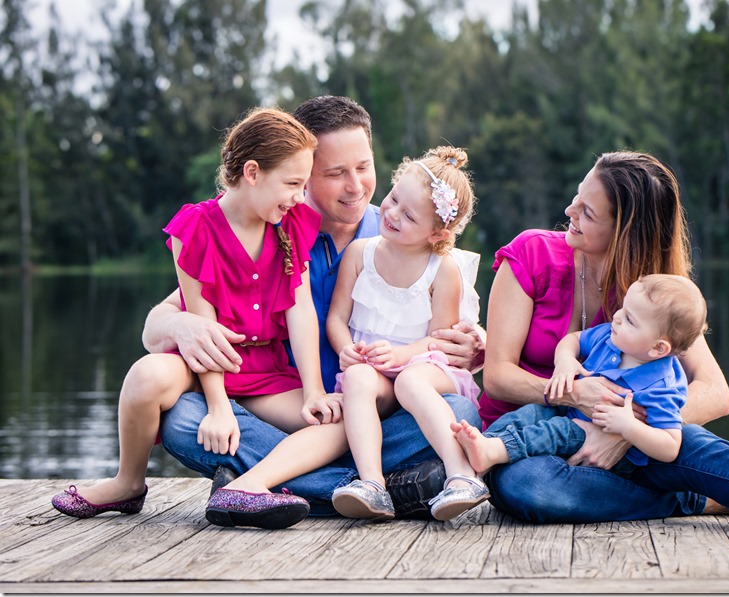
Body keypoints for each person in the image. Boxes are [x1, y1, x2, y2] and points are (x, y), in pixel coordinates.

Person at [475, 150, 729, 540]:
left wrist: (626, 430)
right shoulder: (531, 254)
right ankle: (694, 498)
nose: (570, 209)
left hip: (621, 439)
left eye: (588, 212)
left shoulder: (649, 293)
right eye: (577, 197)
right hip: (526, 442)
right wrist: (575, 395)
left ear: (625, 229)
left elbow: (715, 393)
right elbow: (498, 377)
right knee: (526, 485)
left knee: (682, 441)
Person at [141, 96, 485, 523]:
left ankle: (269, 479)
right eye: (336, 173)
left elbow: (450, 343)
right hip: (284, 413)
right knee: (180, 419)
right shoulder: (267, 228)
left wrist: (475, 345)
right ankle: (392, 488)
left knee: (460, 413)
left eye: (363, 167)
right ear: (300, 174)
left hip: (378, 420)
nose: (356, 186)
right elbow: (158, 326)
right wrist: (180, 323)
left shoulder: (406, 229)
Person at [51, 107, 334, 528]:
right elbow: (203, 331)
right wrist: (218, 408)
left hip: (264, 371)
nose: (298, 196)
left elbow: (300, 309)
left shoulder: (290, 223)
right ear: (252, 172)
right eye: (292, 184)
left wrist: (313, 391)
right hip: (204, 366)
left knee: (337, 420)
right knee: (146, 376)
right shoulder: (196, 228)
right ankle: (128, 483)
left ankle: (252, 484)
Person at [324, 146, 488, 522]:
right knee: (357, 378)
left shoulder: (441, 269)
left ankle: (461, 475)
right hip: (376, 367)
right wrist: (347, 350)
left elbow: (439, 340)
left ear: (437, 233)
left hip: (423, 365)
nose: (392, 213)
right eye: (394, 199)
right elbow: (336, 318)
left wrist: (401, 357)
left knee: (410, 382)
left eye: (409, 215)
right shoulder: (359, 254)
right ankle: (372, 485)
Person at [455, 273, 707, 475]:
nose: (617, 317)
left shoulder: (661, 386)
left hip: (603, 446)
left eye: (630, 319)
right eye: (623, 309)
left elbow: (670, 446)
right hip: (570, 412)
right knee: (530, 413)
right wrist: (565, 360)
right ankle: (479, 454)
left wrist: (629, 428)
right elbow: (573, 340)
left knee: (559, 431)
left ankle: (492, 453)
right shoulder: (610, 337)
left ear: (657, 348)